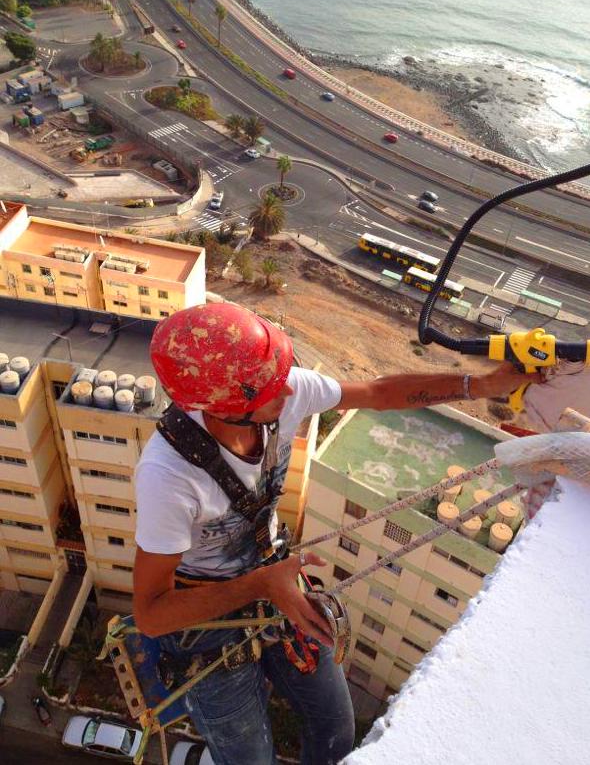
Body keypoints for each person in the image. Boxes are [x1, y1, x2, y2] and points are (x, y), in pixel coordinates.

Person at [133, 302, 536, 765]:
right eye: (270, 387)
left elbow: (379, 393)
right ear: (228, 407)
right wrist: (263, 585)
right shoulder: (169, 476)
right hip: (202, 624)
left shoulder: (277, 393)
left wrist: (478, 385)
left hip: (273, 576)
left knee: (336, 730)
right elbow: (152, 615)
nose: (288, 389)